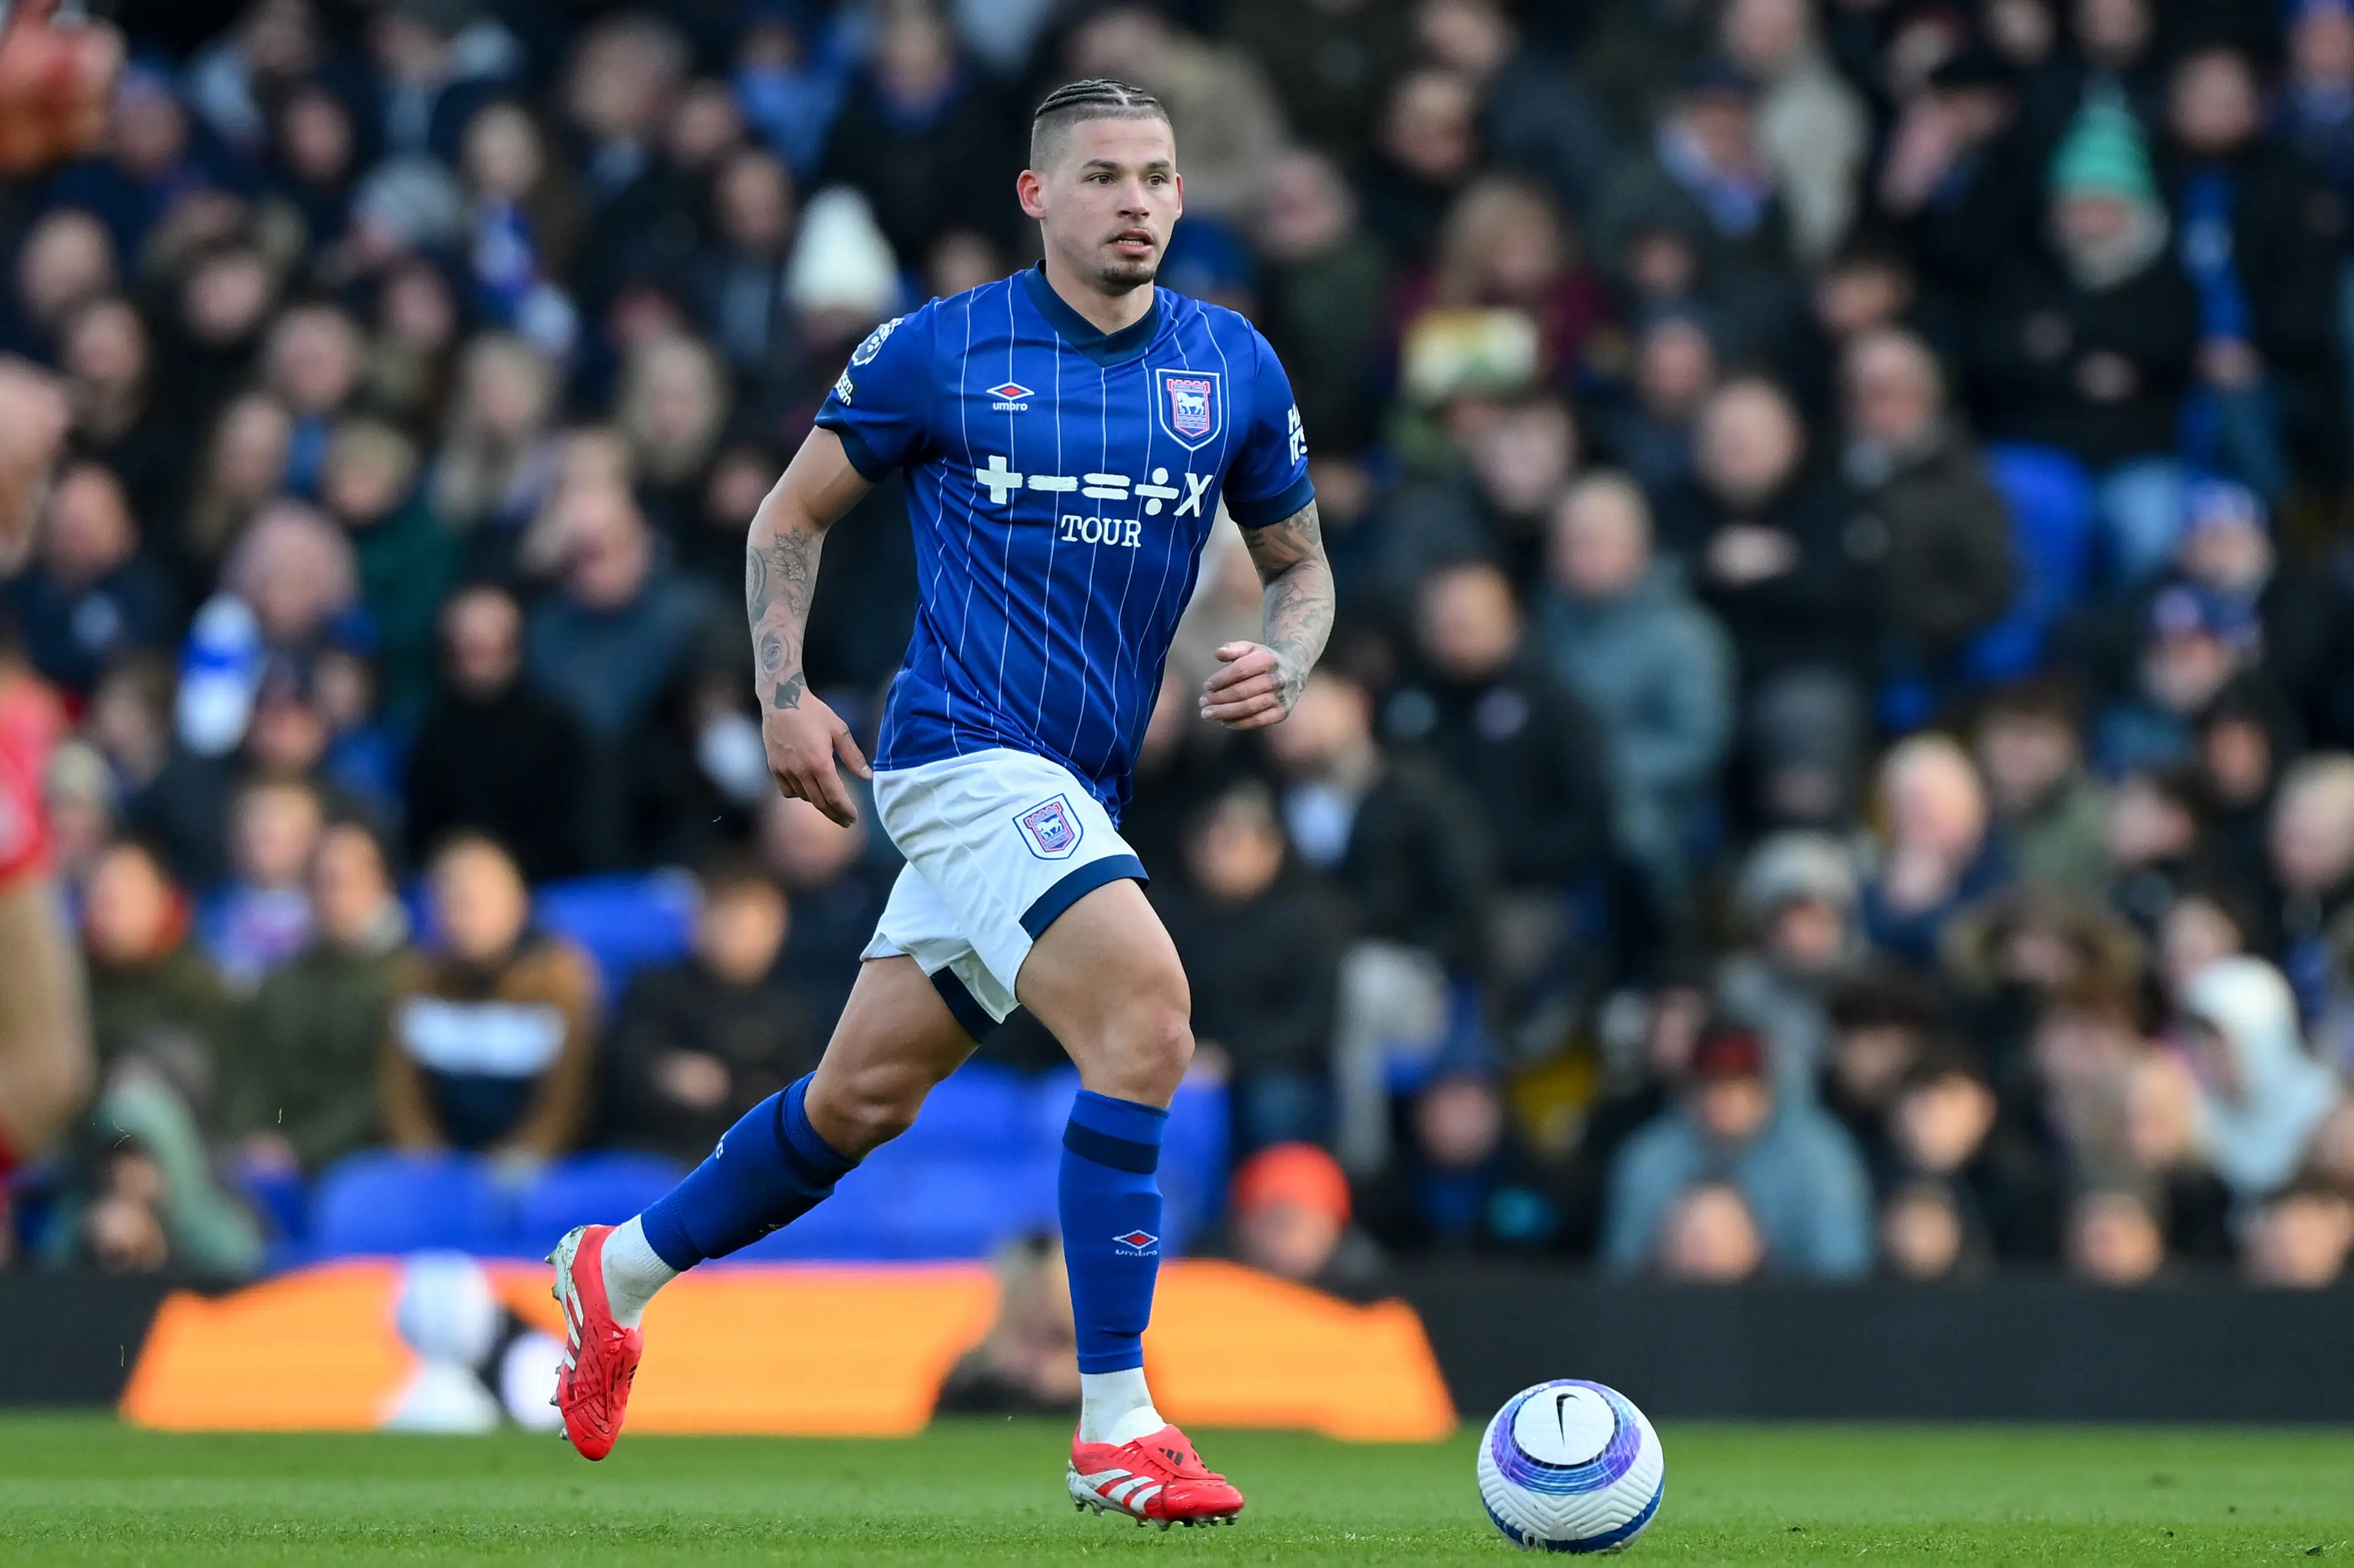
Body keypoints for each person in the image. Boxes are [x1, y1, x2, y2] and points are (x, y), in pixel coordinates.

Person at [547, 82, 1332, 1529]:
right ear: (1040, 198)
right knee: (1149, 1018)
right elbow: (786, 516)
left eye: (1159, 176)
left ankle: (619, 1272)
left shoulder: (1232, 367)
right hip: (964, 758)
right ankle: (1116, 1423)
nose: (1141, 201)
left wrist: (1283, 659)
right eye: (1105, 176)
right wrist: (781, 694)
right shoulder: (943, 351)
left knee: (860, 1099)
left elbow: (1302, 564)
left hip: (1078, 788)